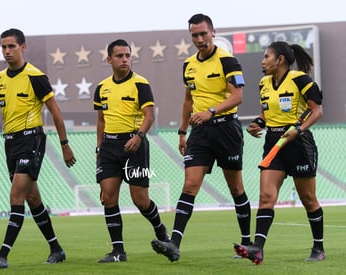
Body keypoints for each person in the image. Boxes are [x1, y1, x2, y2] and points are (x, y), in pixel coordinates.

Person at [0, 28, 76, 269]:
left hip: (31, 140)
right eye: (3, 47)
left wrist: (65, 145)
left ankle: (3, 254)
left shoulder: (35, 76)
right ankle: (56, 249)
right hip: (10, 143)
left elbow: (55, 111)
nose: (6, 51)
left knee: (16, 195)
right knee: (33, 198)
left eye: (11, 46)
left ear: (23, 47)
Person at [151, 13, 251, 262]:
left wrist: (211, 112)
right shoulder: (188, 65)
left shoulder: (228, 61)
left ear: (213, 32)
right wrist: (183, 131)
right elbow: (187, 100)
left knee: (236, 187)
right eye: (194, 35)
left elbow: (237, 97)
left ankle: (248, 243)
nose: (199, 39)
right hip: (200, 133)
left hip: (226, 129)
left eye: (203, 33)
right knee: (190, 185)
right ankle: (174, 244)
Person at [234, 41, 324, 264]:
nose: (263, 61)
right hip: (274, 143)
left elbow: (317, 111)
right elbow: (266, 113)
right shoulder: (264, 83)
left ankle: (318, 249)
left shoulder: (301, 80)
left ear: (280, 60)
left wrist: (299, 130)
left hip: (299, 143)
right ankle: (257, 249)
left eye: (266, 57)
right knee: (266, 197)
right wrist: (257, 123)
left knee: (308, 199)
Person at [93, 39, 169, 263]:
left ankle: (160, 229)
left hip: (134, 146)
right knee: (108, 197)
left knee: (140, 200)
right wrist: (99, 148)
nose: (125, 59)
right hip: (108, 147)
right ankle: (118, 251)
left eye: (127, 55)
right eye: (119, 56)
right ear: (109, 59)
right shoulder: (102, 87)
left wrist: (139, 136)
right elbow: (100, 121)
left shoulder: (140, 84)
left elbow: (149, 116)